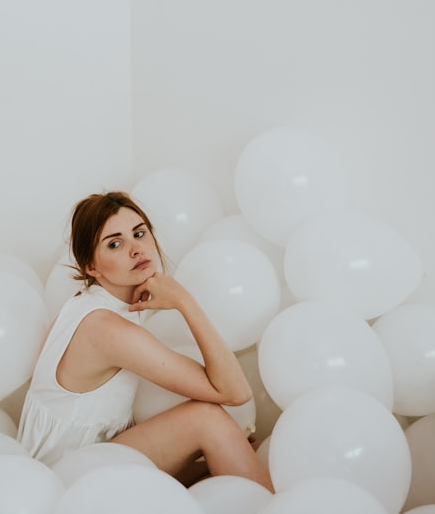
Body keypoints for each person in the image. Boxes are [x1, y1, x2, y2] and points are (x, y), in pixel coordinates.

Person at [17, 191, 273, 491]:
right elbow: (235, 391)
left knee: (219, 456)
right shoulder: (107, 329)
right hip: (63, 485)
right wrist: (183, 300)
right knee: (208, 420)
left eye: (139, 233)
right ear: (92, 267)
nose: (136, 249)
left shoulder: (86, 305)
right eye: (115, 243)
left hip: (79, 467)